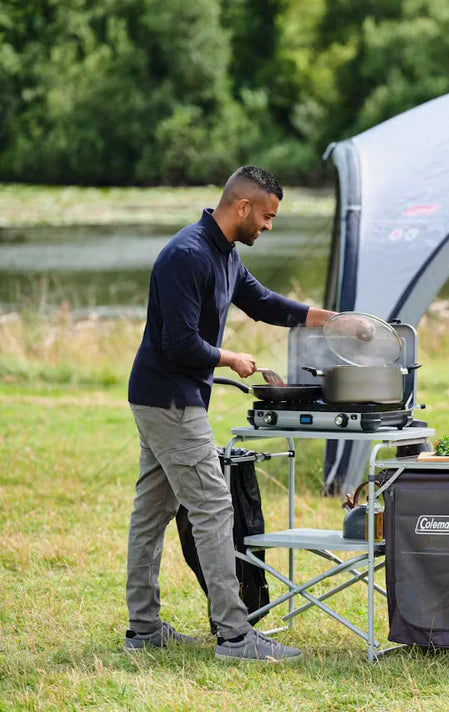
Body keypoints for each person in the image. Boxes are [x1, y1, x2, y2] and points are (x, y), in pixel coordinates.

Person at [125, 166, 338, 662]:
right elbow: (179, 343)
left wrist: (326, 318)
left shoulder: (223, 256)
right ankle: (236, 636)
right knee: (214, 509)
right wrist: (232, 358)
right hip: (171, 399)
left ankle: (143, 628)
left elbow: (260, 302)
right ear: (242, 207)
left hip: (165, 396)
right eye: (266, 216)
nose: (268, 225)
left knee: (152, 512)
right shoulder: (187, 255)